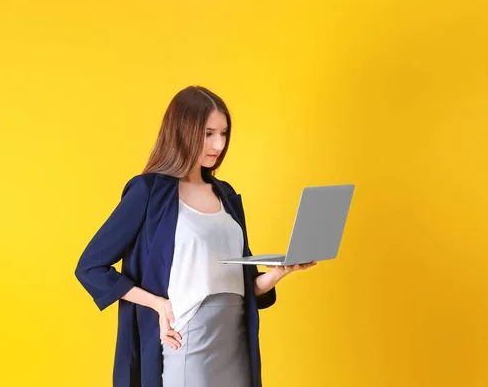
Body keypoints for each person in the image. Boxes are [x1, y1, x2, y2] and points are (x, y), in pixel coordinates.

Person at [74, 85, 317, 387]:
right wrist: (157, 304)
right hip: (188, 338)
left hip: (236, 339)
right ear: (183, 131)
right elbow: (90, 268)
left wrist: (280, 272)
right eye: (208, 133)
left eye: (224, 133)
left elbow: (239, 284)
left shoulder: (225, 195)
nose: (218, 144)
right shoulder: (150, 193)